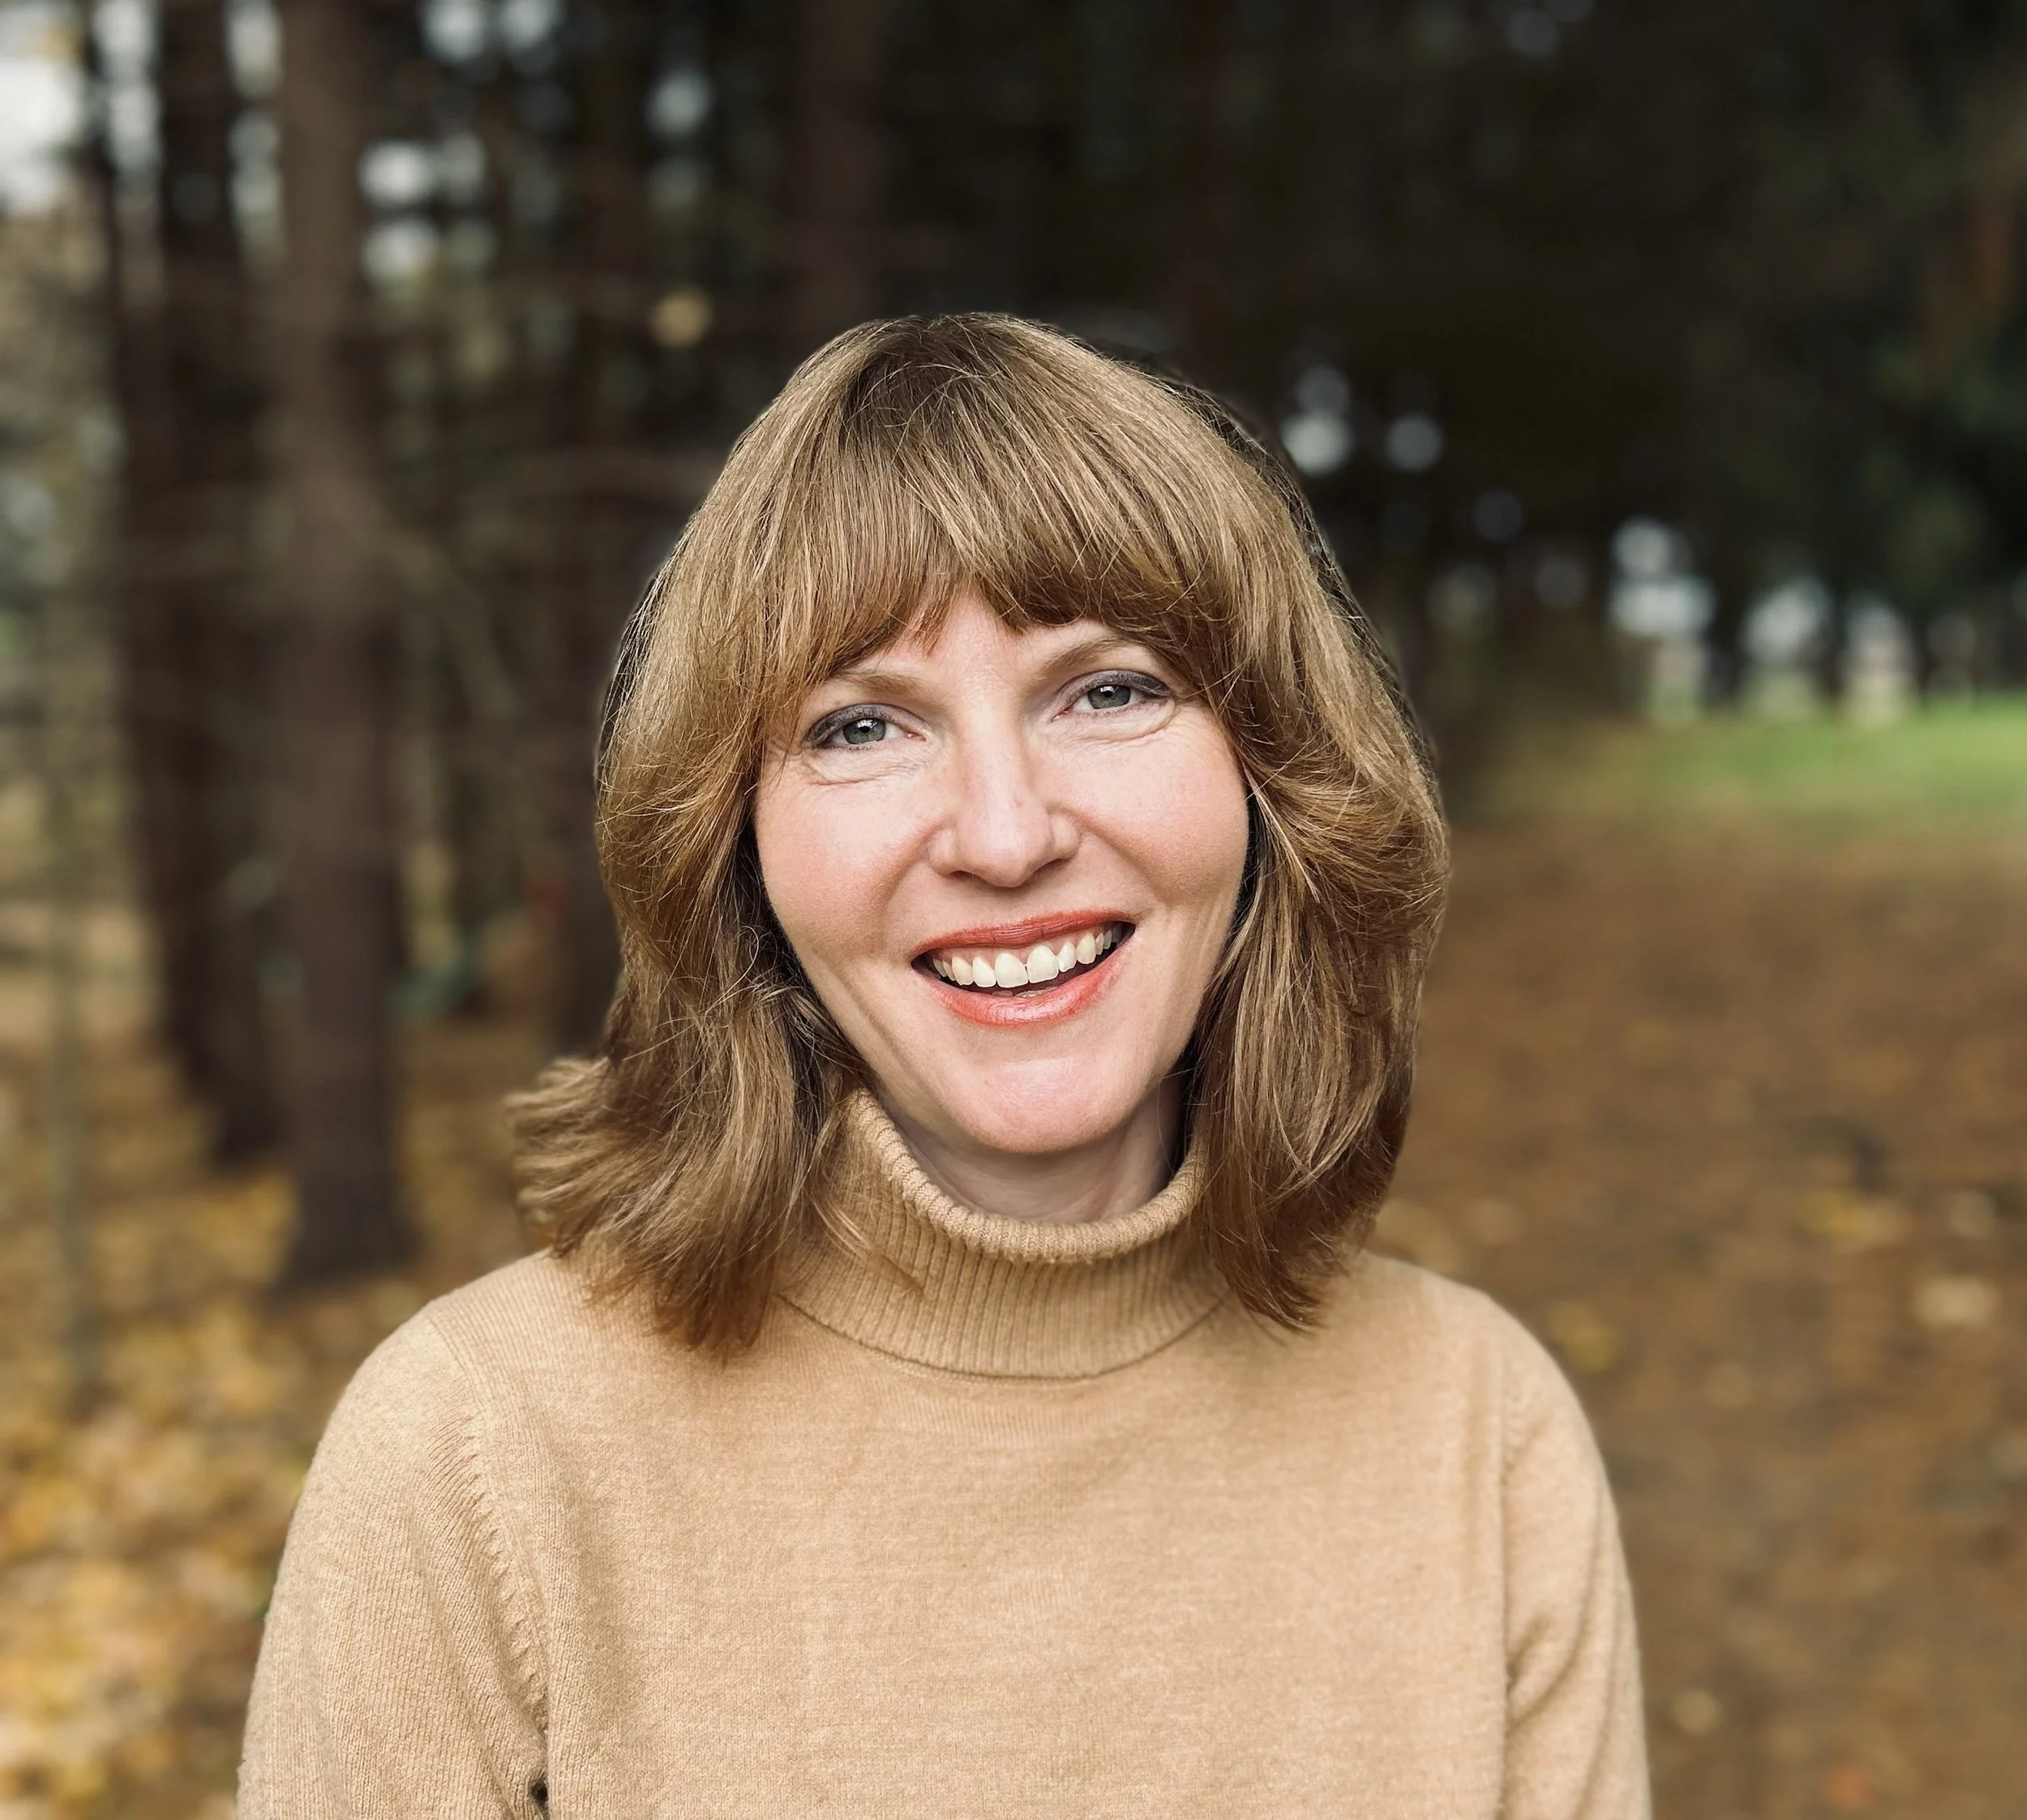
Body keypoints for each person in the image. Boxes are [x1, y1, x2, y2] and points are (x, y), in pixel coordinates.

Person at [239, 314, 1648, 1818]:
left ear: (1274, 775)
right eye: (861, 725)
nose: (1003, 832)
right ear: (734, 845)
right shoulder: (478, 1462)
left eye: (1107, 690)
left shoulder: (1479, 1437)